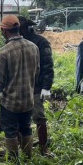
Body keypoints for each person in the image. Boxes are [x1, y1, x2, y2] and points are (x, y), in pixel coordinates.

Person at [0, 15, 39, 158]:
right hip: (28, 100)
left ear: (4, 31)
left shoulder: (4, 52)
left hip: (10, 102)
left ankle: (13, 160)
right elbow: (37, 72)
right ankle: (28, 157)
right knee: (26, 128)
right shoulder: (33, 47)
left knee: (10, 131)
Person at [18, 16, 55, 155]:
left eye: (20, 28)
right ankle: (22, 146)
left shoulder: (40, 42)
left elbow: (47, 65)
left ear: (27, 28)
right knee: (18, 117)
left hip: (36, 86)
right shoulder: (15, 42)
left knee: (39, 117)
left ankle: (43, 148)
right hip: (19, 86)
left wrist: (47, 87)